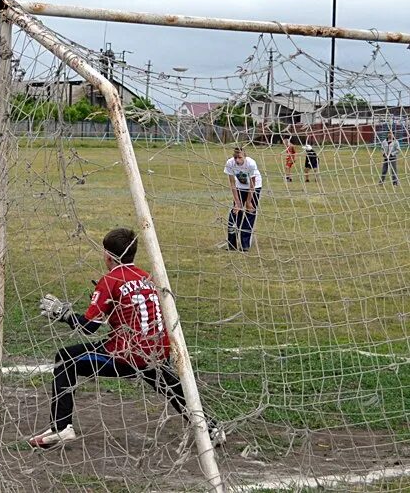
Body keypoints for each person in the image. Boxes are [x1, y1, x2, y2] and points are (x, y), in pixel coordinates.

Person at [27, 228, 225, 449]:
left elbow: (89, 327)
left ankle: (61, 427)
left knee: (65, 359)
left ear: (108, 255)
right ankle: (210, 427)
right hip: (159, 348)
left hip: (127, 355)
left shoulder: (111, 280)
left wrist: (63, 314)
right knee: (169, 385)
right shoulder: (148, 278)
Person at [224, 147, 262, 252]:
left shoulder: (251, 163)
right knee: (235, 213)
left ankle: (245, 245)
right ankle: (232, 245)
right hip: (239, 187)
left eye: (239, 157)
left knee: (250, 214)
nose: (237, 160)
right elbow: (232, 183)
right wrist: (237, 202)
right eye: (235, 157)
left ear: (244, 156)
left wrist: (249, 202)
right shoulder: (230, 163)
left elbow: (253, 184)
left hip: (254, 188)